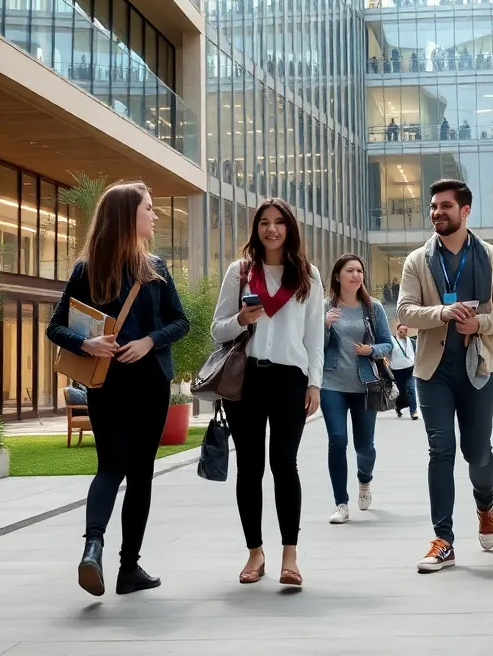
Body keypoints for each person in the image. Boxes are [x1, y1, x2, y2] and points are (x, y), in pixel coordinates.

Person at [45, 181, 190, 597]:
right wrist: (90, 341)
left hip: (108, 383)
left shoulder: (94, 268)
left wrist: (146, 340)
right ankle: (128, 569)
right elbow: (180, 323)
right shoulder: (146, 267)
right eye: (149, 208)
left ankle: (94, 546)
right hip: (139, 385)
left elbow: (54, 327)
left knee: (110, 467)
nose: (155, 215)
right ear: (129, 215)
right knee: (139, 473)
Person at [397, 179, 493, 573]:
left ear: (464, 211)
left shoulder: (491, 256)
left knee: (477, 451)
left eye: (445, 206)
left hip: (478, 368)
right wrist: (442, 314)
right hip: (433, 372)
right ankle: (443, 539)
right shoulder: (418, 260)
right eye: (433, 206)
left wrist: (481, 323)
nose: (437, 212)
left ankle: (485, 505)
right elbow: (404, 312)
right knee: (441, 450)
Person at [212, 198, 323, 591]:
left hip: (290, 381)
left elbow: (315, 337)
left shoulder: (306, 275)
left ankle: (290, 556)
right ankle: (255, 552)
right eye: (264, 223)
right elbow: (217, 329)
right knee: (250, 468)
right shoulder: (240, 272)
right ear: (256, 228)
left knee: (284, 465)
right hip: (246, 381)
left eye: (278, 222)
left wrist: (315, 384)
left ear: (290, 228)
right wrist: (241, 319)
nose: (271, 229)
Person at [321, 254, 393, 525]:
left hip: (365, 385)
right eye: (350, 270)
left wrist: (370, 350)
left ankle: (365, 480)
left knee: (365, 447)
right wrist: (325, 325)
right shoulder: (325, 308)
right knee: (337, 440)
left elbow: (388, 344)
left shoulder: (372, 308)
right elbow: (316, 345)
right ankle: (341, 503)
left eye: (360, 271)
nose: (356, 275)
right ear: (338, 275)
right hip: (332, 384)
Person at [390, 322, 418, 420]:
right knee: (400, 392)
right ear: (397, 331)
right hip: (397, 371)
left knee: (411, 389)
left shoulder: (411, 341)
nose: (404, 332)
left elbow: (416, 352)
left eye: (405, 331)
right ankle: (398, 407)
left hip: (409, 370)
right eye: (401, 331)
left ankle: (413, 411)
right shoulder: (392, 341)